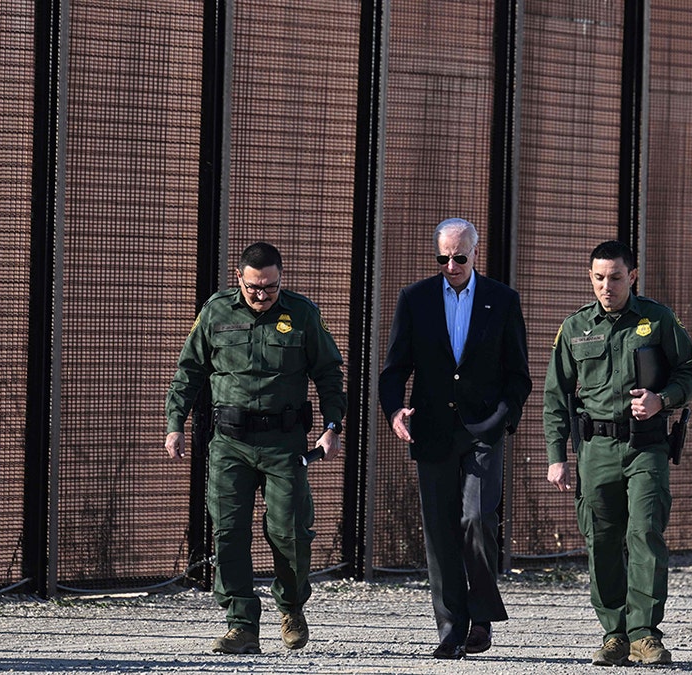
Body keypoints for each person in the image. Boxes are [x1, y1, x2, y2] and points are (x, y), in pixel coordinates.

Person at [165, 241, 346, 655]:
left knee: (291, 532)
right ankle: (241, 624)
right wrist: (175, 424)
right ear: (239, 280)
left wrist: (333, 426)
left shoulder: (302, 314)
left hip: (284, 443)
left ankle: (291, 606)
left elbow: (329, 374)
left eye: (270, 287)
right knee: (228, 533)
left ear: (281, 279)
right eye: (253, 288)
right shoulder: (215, 312)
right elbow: (189, 371)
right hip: (229, 442)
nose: (262, 295)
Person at [543, 240, 692, 666]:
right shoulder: (575, 329)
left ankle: (645, 634)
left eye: (615, 277)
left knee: (645, 531)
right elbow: (555, 397)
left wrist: (662, 399)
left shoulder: (657, 319)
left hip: (646, 445)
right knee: (602, 539)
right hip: (595, 449)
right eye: (598, 277)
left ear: (632, 276)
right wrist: (556, 456)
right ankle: (614, 633)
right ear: (590, 277)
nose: (606, 286)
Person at [379, 218, 532, 659]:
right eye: (443, 258)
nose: (451, 265)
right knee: (440, 532)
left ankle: (480, 617)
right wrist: (394, 412)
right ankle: (451, 627)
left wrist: (504, 418)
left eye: (459, 257)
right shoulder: (415, 299)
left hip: (483, 430)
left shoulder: (502, 300)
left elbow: (518, 374)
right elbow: (394, 370)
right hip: (432, 430)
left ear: (475, 254)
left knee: (477, 519)